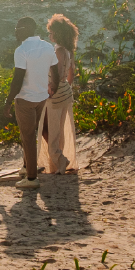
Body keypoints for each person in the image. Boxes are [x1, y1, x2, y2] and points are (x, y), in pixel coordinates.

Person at [3, 17, 59, 190]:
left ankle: (32, 178)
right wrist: (52, 89)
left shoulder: (22, 50)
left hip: (25, 99)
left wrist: (8, 101)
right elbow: (55, 71)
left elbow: (17, 79)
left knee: (27, 137)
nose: (15, 31)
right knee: (29, 133)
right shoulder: (48, 47)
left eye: (18, 28)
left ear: (25, 29)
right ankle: (26, 168)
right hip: (41, 98)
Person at [38, 13, 79, 175]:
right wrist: (65, 87)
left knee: (49, 130)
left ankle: (59, 159)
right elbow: (71, 75)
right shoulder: (68, 51)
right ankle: (58, 160)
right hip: (64, 94)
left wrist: (53, 88)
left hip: (54, 95)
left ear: (58, 33)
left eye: (52, 32)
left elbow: (58, 73)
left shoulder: (59, 51)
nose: (50, 35)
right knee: (57, 130)